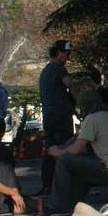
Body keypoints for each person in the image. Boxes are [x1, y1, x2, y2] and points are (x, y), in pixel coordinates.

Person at [44, 89, 108, 214]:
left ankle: (56, 205)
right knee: (79, 163)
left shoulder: (93, 118)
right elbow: (78, 138)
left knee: (65, 160)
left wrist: (57, 152)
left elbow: (76, 149)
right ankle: (75, 203)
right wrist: (64, 148)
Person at [39, 40, 75, 194]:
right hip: (61, 116)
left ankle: (47, 185)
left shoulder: (46, 70)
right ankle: (64, 185)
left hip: (48, 115)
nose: (68, 57)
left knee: (50, 149)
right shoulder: (59, 69)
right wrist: (80, 102)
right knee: (66, 148)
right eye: (67, 53)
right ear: (59, 52)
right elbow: (71, 86)